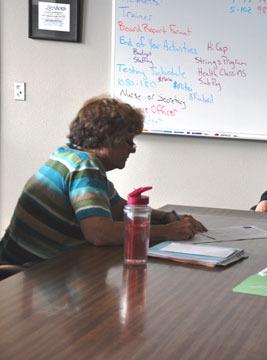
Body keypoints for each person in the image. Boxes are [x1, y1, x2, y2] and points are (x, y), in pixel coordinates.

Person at [0, 96, 206, 266]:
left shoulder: (69, 156)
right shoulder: (85, 167)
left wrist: (165, 217)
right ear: (107, 137)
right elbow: (100, 233)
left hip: (23, 266)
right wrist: (168, 232)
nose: (132, 149)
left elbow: (120, 210)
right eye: (129, 141)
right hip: (26, 275)